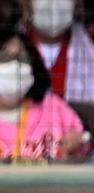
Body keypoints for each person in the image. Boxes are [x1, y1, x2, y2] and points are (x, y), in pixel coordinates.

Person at [0, 26, 88, 161]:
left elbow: (83, 143)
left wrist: (76, 146)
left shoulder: (53, 106)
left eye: (22, 58)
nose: (15, 66)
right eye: (5, 57)